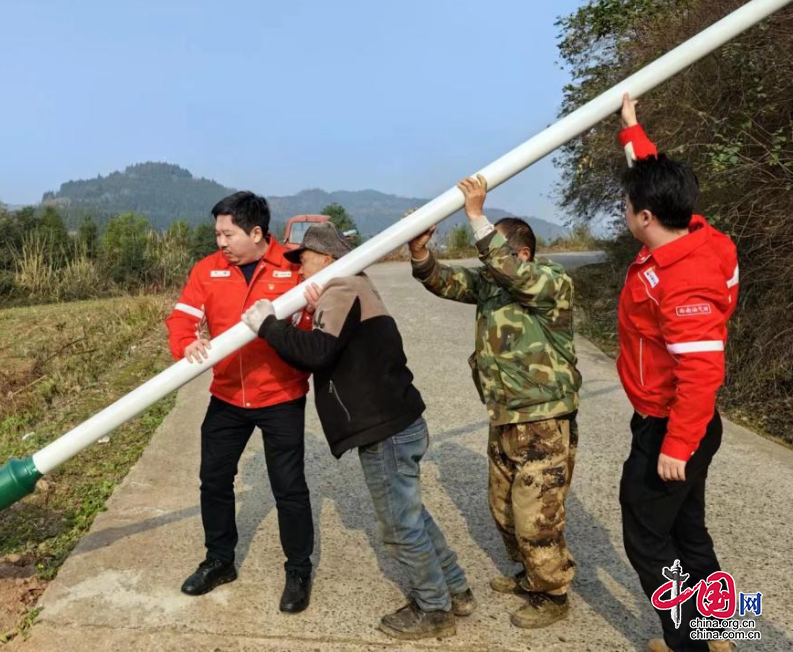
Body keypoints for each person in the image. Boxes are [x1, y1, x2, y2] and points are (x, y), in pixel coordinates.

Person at [241, 222, 475, 641]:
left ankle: (433, 608)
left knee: (400, 526)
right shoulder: (353, 288)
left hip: (384, 429)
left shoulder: (342, 289)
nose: (297, 269)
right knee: (413, 515)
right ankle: (456, 590)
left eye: (304, 259)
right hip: (399, 422)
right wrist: (311, 314)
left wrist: (269, 326)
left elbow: (317, 353)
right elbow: (339, 347)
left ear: (330, 259)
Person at [409, 175, 581, 629]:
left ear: (520, 254)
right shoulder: (491, 286)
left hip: (543, 419)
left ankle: (553, 594)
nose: (488, 262)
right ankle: (530, 575)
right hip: (504, 416)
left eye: (497, 251)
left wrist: (476, 215)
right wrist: (420, 251)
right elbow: (443, 281)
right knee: (504, 506)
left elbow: (513, 273)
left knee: (536, 514)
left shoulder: (551, 284)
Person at [615, 94, 738, 652]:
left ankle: (686, 643)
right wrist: (633, 131)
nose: (624, 211)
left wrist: (677, 445)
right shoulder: (703, 237)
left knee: (645, 538)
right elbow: (656, 179)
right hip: (688, 423)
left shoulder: (682, 281)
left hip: (674, 423)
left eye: (627, 205)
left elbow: (702, 371)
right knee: (689, 529)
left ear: (645, 217)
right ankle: (723, 633)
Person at [165, 191, 315, 613]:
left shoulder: (293, 266)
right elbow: (182, 317)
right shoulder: (207, 270)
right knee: (213, 481)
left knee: (289, 488)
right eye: (217, 233)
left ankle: (298, 570)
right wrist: (185, 342)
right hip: (227, 396)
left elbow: (313, 322)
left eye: (227, 234)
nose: (220, 243)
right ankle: (219, 561)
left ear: (255, 232)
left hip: (280, 396)